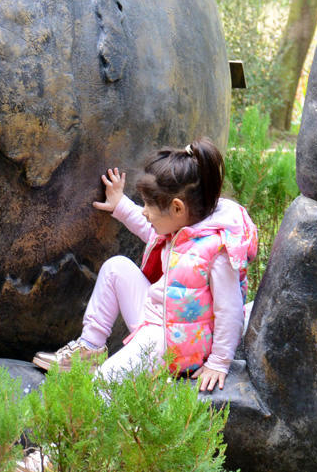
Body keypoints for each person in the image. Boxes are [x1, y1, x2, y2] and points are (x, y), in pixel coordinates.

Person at [31, 138, 258, 393]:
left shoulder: (217, 251)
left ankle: (105, 425)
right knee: (116, 267)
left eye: (149, 205)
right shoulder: (183, 226)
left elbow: (230, 311)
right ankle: (90, 350)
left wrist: (219, 362)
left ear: (177, 208)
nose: (144, 212)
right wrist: (119, 205)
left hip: (176, 346)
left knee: (104, 385)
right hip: (158, 322)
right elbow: (149, 230)